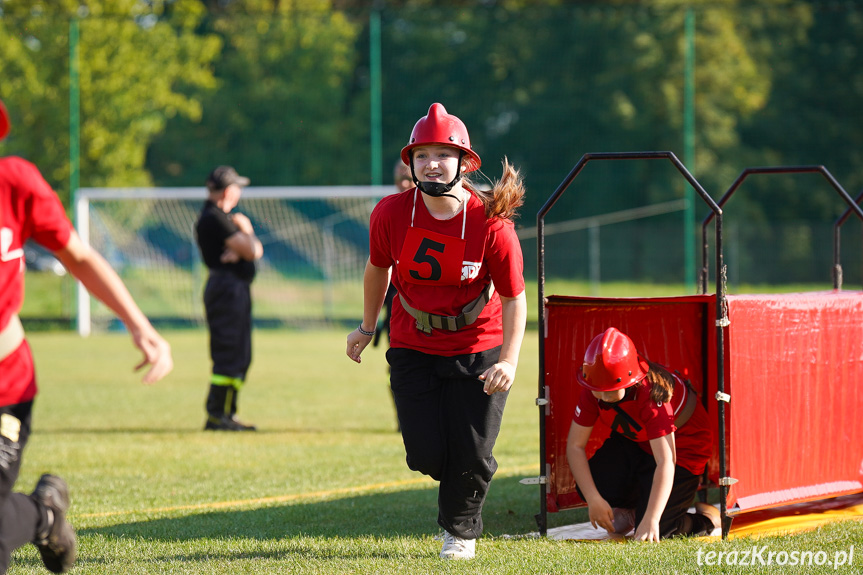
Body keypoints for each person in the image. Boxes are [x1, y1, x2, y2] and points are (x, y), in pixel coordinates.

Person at [345, 103, 527, 560]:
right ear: (410, 163)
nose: (430, 164)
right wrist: (367, 327)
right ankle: (468, 470)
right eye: (421, 155)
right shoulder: (389, 213)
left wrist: (509, 359)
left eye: (442, 155)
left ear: (464, 163)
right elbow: (377, 270)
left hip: (478, 345)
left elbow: (514, 297)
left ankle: (459, 531)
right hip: (413, 342)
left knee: (472, 450)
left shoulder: (492, 223)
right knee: (425, 455)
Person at [0, 98, 173, 574]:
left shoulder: (14, 182)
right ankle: (44, 514)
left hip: (5, 387)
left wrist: (141, 328)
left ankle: (43, 515)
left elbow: (77, 256)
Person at [566, 327, 720, 541]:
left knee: (660, 530)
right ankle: (634, 512)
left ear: (629, 379)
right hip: (637, 442)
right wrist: (593, 499)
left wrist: (652, 518)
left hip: (683, 451)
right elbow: (575, 446)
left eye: (609, 389)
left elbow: (666, 461)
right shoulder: (596, 385)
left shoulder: (652, 395)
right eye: (596, 388)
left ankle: (708, 519)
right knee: (592, 484)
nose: (601, 395)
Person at [195, 166, 263, 432]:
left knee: (240, 354)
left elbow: (251, 251)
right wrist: (246, 232)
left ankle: (228, 413)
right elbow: (252, 249)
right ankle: (216, 415)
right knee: (228, 353)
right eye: (237, 187)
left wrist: (246, 248)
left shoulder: (221, 217)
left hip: (234, 289)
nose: (239, 192)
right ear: (227, 190)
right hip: (226, 290)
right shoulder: (215, 217)